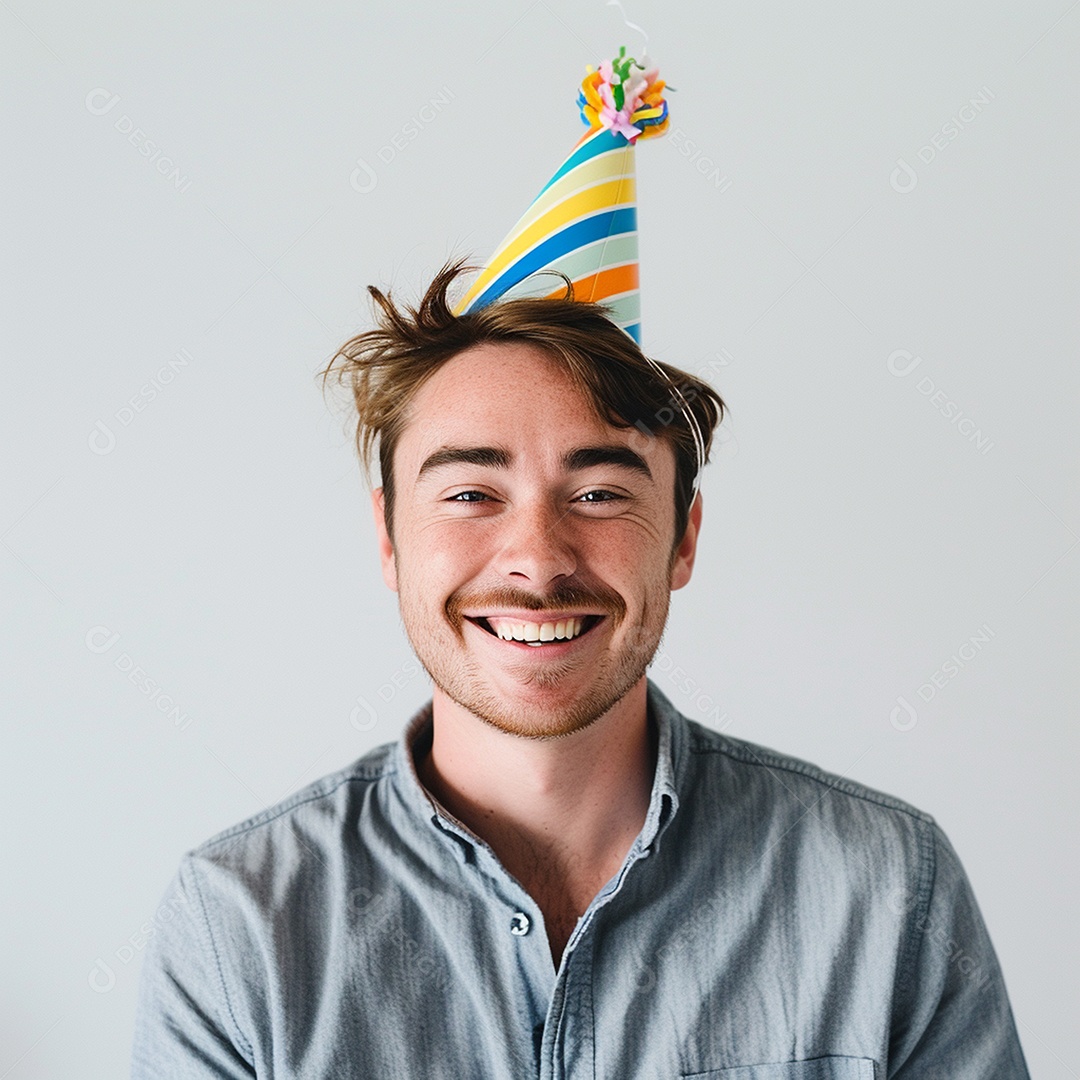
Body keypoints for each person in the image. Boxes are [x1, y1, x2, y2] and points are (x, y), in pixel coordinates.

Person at [132, 49, 1030, 1079]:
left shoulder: (890, 889)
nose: (537, 559)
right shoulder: (239, 926)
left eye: (600, 493)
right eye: (471, 493)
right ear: (388, 537)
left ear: (683, 538)